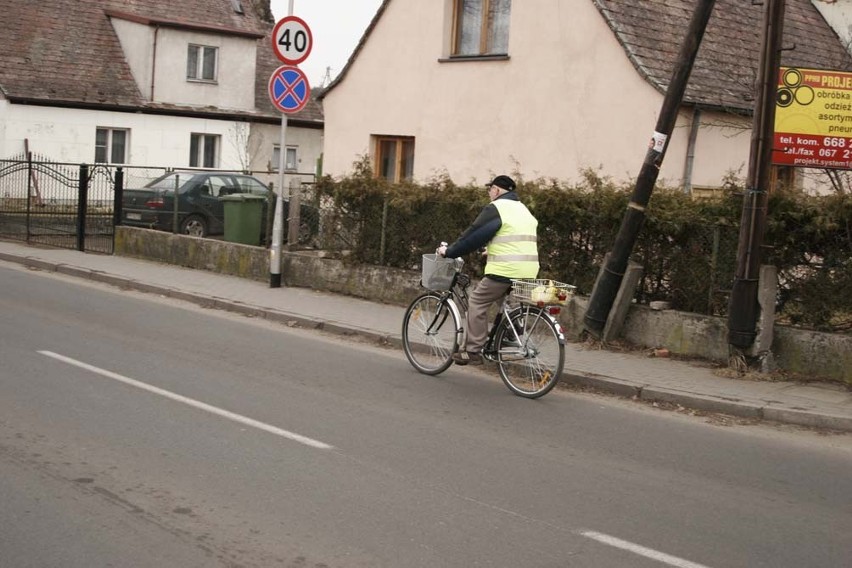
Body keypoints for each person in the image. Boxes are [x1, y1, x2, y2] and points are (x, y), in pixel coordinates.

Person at [437, 175, 539, 365]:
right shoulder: (523, 208)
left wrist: (449, 251)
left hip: (506, 269)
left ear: (497, 190)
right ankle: (511, 332)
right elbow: (513, 237)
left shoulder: (498, 208)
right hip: (528, 268)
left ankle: (472, 350)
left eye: (490, 189)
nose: (489, 193)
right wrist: (491, 250)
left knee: (477, 301)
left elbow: (473, 235)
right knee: (503, 301)